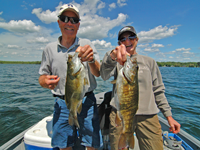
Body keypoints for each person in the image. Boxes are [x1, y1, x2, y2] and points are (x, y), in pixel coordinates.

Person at [100, 26, 181, 150]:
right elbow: (104, 75)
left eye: (131, 37)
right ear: (119, 43)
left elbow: (158, 91)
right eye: (123, 39)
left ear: (137, 39)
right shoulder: (116, 62)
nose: (127, 41)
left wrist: (169, 116)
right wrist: (112, 56)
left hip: (148, 116)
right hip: (120, 113)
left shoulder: (149, 62)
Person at [38, 4, 102, 150]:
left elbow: (97, 73)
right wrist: (45, 81)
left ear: (78, 25)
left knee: (92, 142)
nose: (69, 23)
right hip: (62, 102)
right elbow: (42, 76)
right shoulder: (49, 49)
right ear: (59, 22)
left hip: (87, 101)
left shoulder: (87, 44)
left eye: (74, 20)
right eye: (65, 18)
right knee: (63, 143)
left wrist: (91, 60)